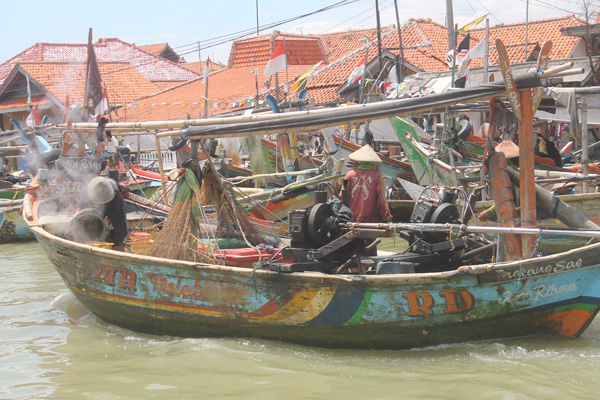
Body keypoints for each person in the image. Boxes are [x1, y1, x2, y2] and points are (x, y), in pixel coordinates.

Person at [342, 144, 392, 224]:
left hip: (351, 219)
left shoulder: (349, 174)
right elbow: (381, 200)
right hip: (370, 220)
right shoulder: (377, 175)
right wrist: (388, 218)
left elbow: (342, 196)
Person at [87, 176, 128, 250]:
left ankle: (123, 246)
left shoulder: (115, 191)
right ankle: (92, 239)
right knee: (95, 219)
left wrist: (111, 216)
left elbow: (116, 209)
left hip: (116, 204)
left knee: (120, 226)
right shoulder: (95, 187)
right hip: (100, 203)